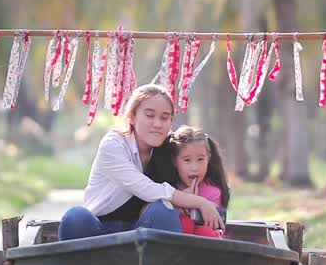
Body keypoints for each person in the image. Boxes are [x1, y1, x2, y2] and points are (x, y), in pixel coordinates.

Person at [58, 84, 225, 240]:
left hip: (143, 234)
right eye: (149, 115)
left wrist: (193, 202)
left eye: (165, 118)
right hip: (99, 231)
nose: (157, 124)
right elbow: (146, 188)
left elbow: (196, 155)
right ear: (131, 117)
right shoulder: (114, 144)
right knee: (75, 217)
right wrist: (200, 203)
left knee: (163, 210)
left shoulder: (168, 149)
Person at [164, 126, 230, 238]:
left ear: (208, 159)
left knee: (204, 232)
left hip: (208, 240)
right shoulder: (169, 189)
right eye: (187, 160)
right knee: (185, 224)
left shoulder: (213, 192)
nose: (194, 168)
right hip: (176, 245)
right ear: (175, 161)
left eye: (200, 159)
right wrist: (180, 203)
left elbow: (212, 224)